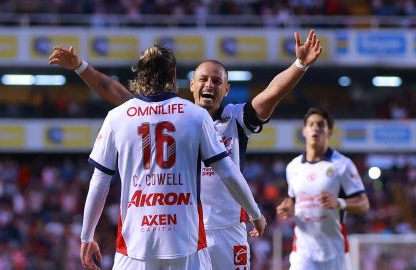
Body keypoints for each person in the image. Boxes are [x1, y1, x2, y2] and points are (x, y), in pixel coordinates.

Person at [49, 29, 321, 269]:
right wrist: (81, 67)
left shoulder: (236, 119)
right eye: (203, 79)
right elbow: (114, 91)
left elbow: (271, 93)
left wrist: (299, 65)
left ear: (227, 89)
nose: (209, 85)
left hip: (226, 231)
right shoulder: (177, 116)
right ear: (189, 84)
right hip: (185, 230)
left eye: (217, 81)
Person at [79, 45, 266, 270]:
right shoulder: (196, 115)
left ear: (139, 74)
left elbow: (99, 182)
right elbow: (228, 173)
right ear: (174, 76)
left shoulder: (116, 117)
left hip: (135, 245)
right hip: (186, 243)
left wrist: (86, 237)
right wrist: (255, 212)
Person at [276, 107, 370, 270]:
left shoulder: (342, 165)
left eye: (320, 125)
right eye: (311, 124)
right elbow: (293, 200)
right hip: (303, 254)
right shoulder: (293, 167)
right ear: (304, 131)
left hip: (335, 253)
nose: (315, 128)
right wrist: (288, 208)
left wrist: (340, 203)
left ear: (329, 131)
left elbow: (364, 204)